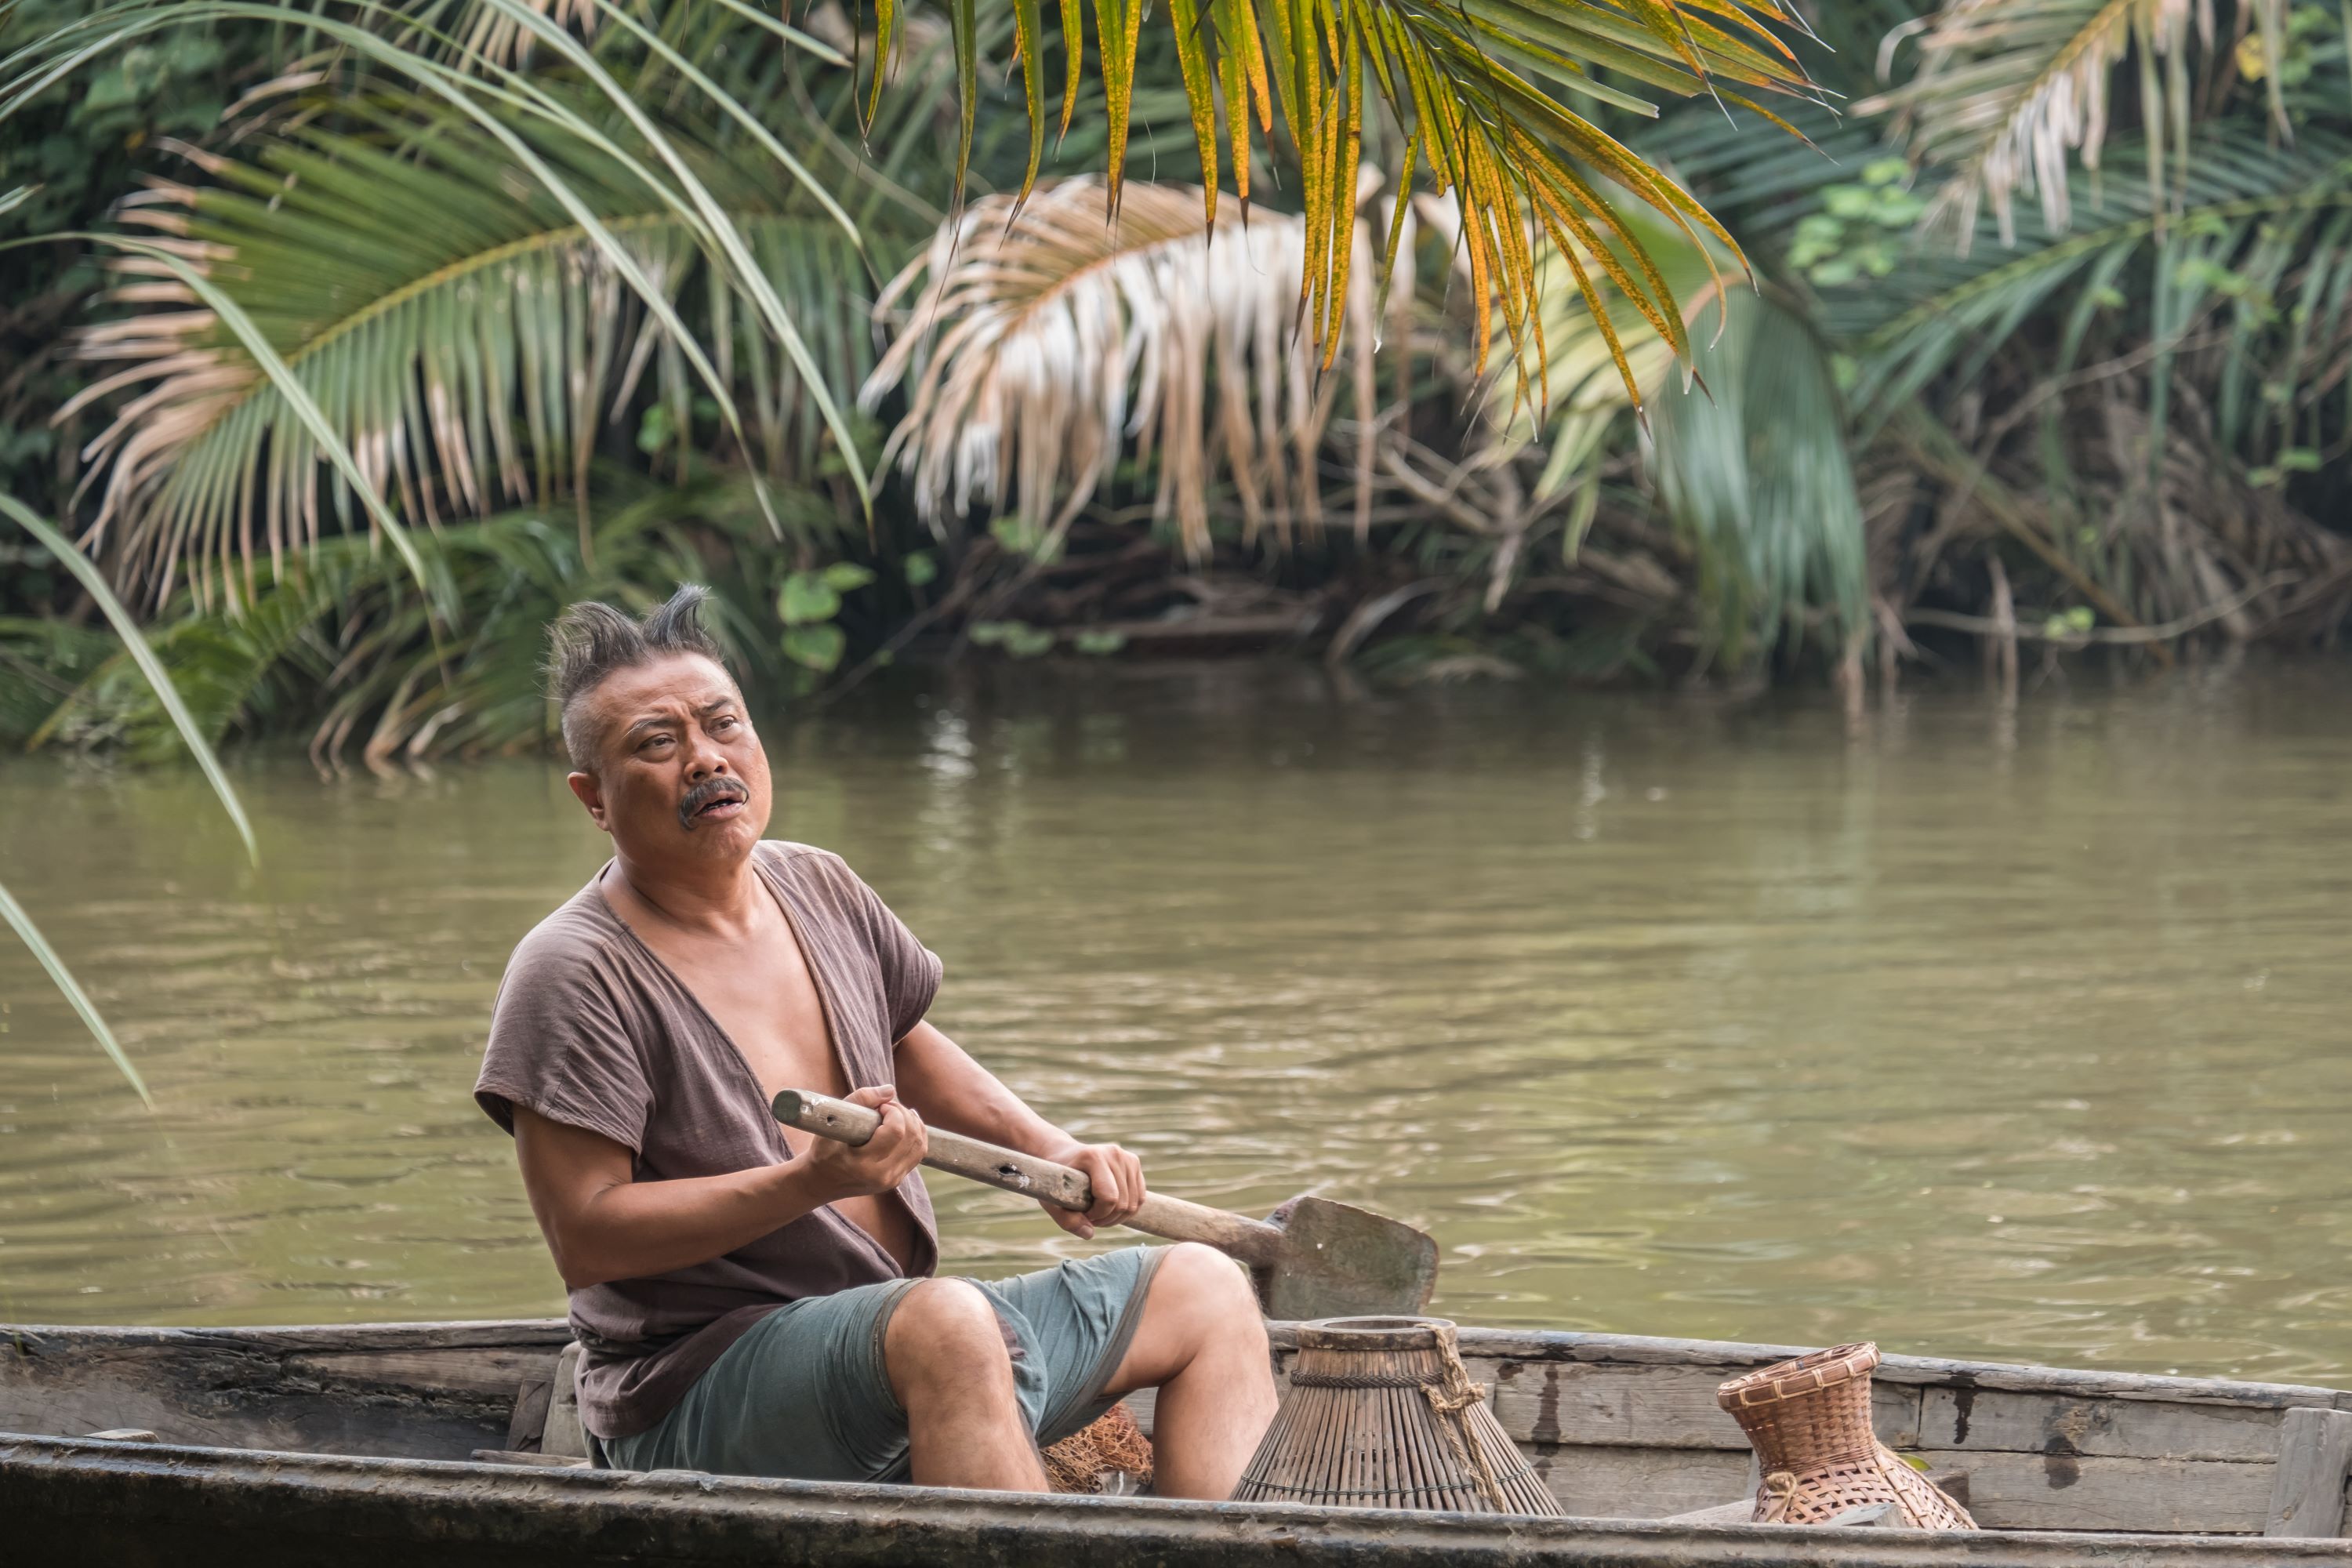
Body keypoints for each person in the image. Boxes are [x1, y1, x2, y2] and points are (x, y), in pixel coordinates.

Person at [474, 585, 1276, 1495]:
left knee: (1206, 1288)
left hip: (904, 1342)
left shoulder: (818, 882)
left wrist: (1051, 1149)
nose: (705, 758)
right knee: (947, 1322)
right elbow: (590, 1237)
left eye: (722, 724)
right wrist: (810, 1181)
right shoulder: (572, 971)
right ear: (595, 798)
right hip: (701, 1391)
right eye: (658, 744)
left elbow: (905, 1043)